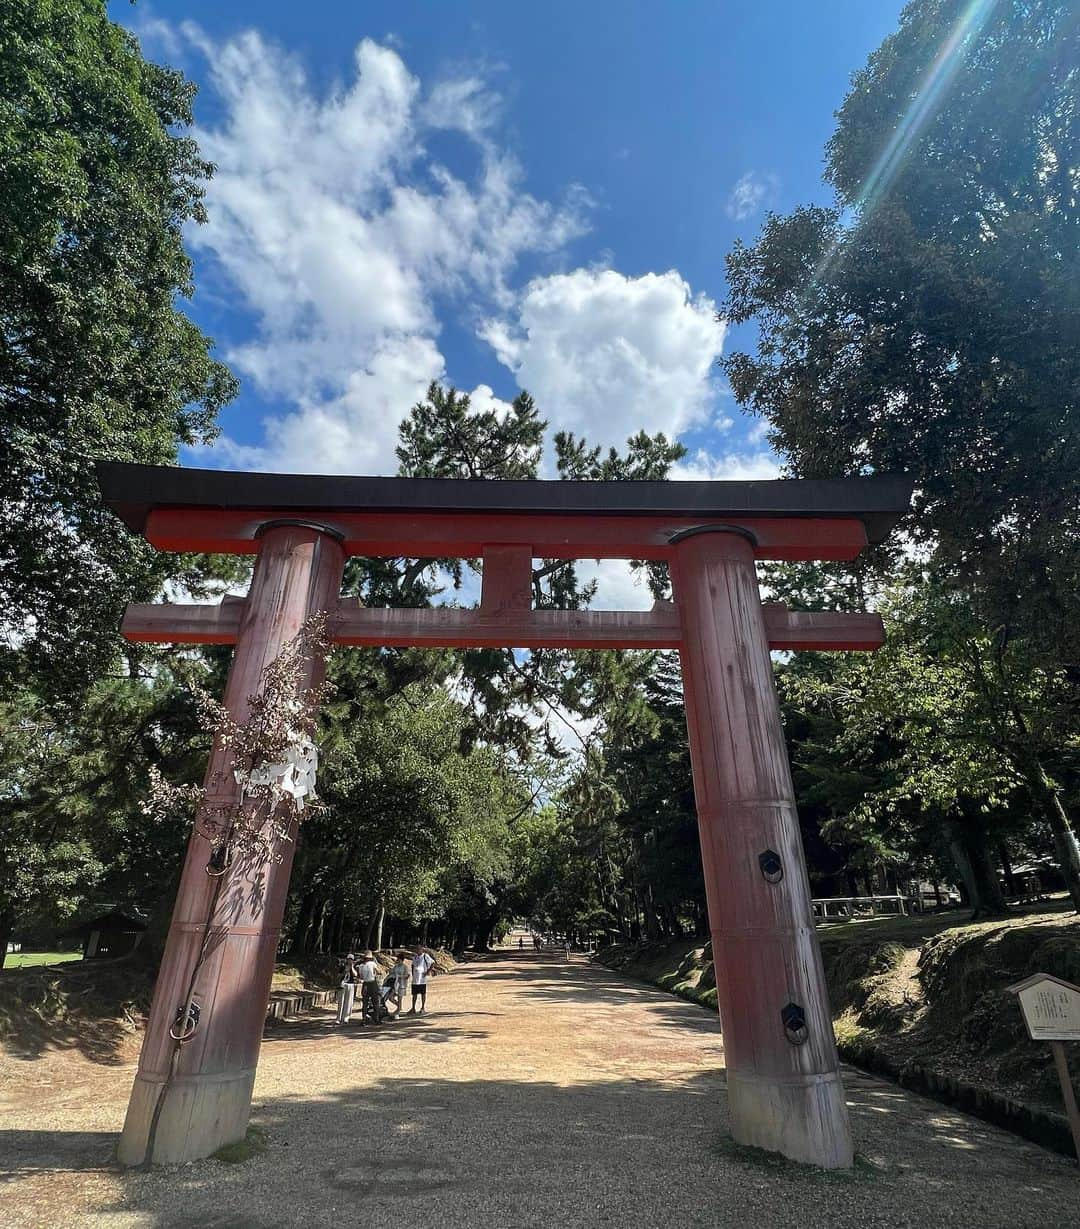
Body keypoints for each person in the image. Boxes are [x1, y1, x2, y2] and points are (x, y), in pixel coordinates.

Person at [357, 949, 382, 1024]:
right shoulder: (373, 964)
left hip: (365, 984)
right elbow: (379, 972)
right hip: (372, 983)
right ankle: (376, 1019)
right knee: (375, 1002)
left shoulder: (361, 966)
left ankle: (364, 1019)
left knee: (365, 1002)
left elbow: (360, 977)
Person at [409, 945, 435, 1014]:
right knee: (414, 994)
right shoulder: (415, 957)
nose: (417, 951)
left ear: (422, 950)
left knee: (423, 994)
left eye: (418, 949)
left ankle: (423, 1007)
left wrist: (428, 971)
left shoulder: (425, 956)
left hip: (422, 979)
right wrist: (413, 974)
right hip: (415, 979)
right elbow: (412, 965)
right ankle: (413, 1008)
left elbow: (432, 963)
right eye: (416, 949)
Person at [335, 953, 358, 1025]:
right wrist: (344, 971)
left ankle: (346, 1017)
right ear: (347, 959)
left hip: (350, 985)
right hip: (343, 985)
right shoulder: (342, 966)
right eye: (349, 959)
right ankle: (339, 1018)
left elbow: (355, 975)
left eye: (351, 960)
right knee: (341, 1002)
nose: (350, 961)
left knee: (349, 1002)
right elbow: (338, 976)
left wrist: (352, 967)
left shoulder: (354, 967)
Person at [387, 951, 410, 1016]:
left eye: (399, 959)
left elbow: (407, 975)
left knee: (400, 998)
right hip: (395, 984)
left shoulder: (405, 967)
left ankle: (398, 1009)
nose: (398, 960)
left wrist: (400, 976)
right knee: (390, 997)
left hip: (402, 985)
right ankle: (399, 1007)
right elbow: (392, 972)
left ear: (402, 960)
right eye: (397, 959)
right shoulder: (396, 966)